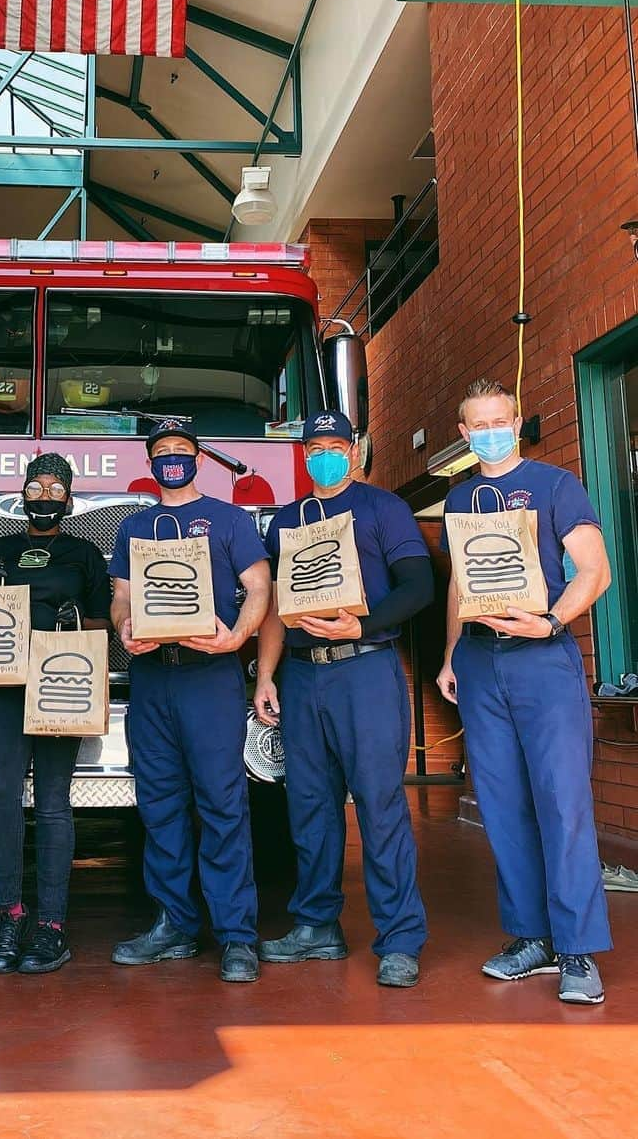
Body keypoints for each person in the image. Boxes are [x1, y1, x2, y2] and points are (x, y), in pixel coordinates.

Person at [437, 378, 613, 1005]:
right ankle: (531, 938)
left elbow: (596, 569)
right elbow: (460, 584)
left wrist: (553, 622)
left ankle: (577, 949)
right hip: (482, 664)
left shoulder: (555, 485)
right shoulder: (459, 499)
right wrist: (451, 653)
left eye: (499, 420)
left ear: (516, 423)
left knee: (562, 803)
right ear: (464, 433)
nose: (489, 431)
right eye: (476, 423)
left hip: (543, 658)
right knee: (503, 805)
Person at [253, 410, 433, 988]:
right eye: (315, 446)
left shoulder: (384, 509)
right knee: (309, 806)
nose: (325, 454)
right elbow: (279, 608)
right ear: (303, 454)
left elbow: (420, 586)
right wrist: (265, 676)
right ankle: (317, 926)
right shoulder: (285, 522)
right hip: (304, 678)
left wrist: (364, 627)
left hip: (365, 670)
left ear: (355, 448)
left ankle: (400, 937)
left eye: (336, 444)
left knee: (380, 806)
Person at [109, 419, 271, 983]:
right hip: (154, 679)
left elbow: (259, 586)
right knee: (160, 806)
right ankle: (174, 925)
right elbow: (122, 597)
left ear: (198, 459)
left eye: (181, 451)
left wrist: (238, 637)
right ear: (150, 464)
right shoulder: (137, 527)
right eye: (161, 453)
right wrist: (125, 626)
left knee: (223, 806)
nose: (171, 460)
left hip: (210, 676)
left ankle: (236, 936)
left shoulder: (230, 520)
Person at [0, 454, 111, 975]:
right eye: (38, 486)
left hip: (62, 684)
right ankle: (8, 915)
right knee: (2, 796)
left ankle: (52, 925)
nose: (46, 495)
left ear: (70, 499)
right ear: (22, 493)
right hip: (3, 686)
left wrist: (76, 629)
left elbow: (102, 626)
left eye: (57, 489)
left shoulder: (84, 554)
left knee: (54, 801)